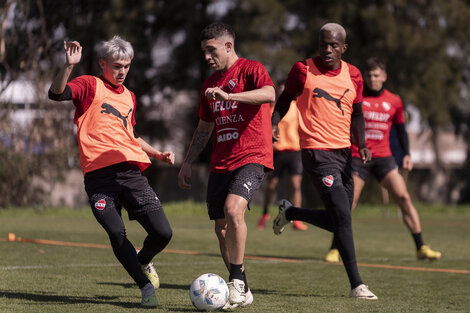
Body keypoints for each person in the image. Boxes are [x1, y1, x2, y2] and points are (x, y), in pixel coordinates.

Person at [48, 36, 175, 308]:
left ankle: (143, 260)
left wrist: (157, 154)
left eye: (127, 66)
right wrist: (69, 66)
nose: (122, 71)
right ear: (102, 63)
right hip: (99, 179)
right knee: (117, 233)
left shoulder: (130, 97)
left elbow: (130, 134)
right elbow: (55, 93)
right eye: (116, 66)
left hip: (131, 174)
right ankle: (144, 287)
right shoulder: (90, 85)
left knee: (163, 233)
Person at [271, 23, 378, 300]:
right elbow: (284, 100)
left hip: (346, 154)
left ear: (344, 48)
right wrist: (274, 123)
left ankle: (290, 213)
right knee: (342, 217)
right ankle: (357, 285)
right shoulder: (302, 70)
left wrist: (363, 144)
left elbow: (357, 114)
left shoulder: (354, 74)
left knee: (339, 219)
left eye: (333, 45)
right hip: (317, 153)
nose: (327, 49)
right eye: (323, 44)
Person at [178, 22, 275, 309]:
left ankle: (236, 282)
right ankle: (242, 286)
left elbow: (269, 94)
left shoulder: (251, 69)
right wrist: (187, 162)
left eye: (211, 50)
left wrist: (230, 96)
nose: (207, 57)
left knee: (234, 210)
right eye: (204, 52)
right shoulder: (208, 84)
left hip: (253, 156)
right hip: (221, 163)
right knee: (221, 229)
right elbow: (205, 127)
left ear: (228, 46)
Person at [324, 57, 441, 263]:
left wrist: (406, 154)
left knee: (404, 198)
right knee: (348, 204)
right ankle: (335, 249)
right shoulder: (356, 97)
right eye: (369, 75)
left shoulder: (394, 101)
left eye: (376, 75)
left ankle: (421, 247)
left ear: (384, 77)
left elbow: (401, 130)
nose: (372, 78)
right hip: (358, 158)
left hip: (385, 158)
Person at [257, 83, 308, 231]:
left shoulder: (296, 107)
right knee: (271, 185)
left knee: (295, 185)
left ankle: (297, 219)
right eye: (280, 90)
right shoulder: (271, 110)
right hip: (277, 153)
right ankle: (265, 213)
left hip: (294, 151)